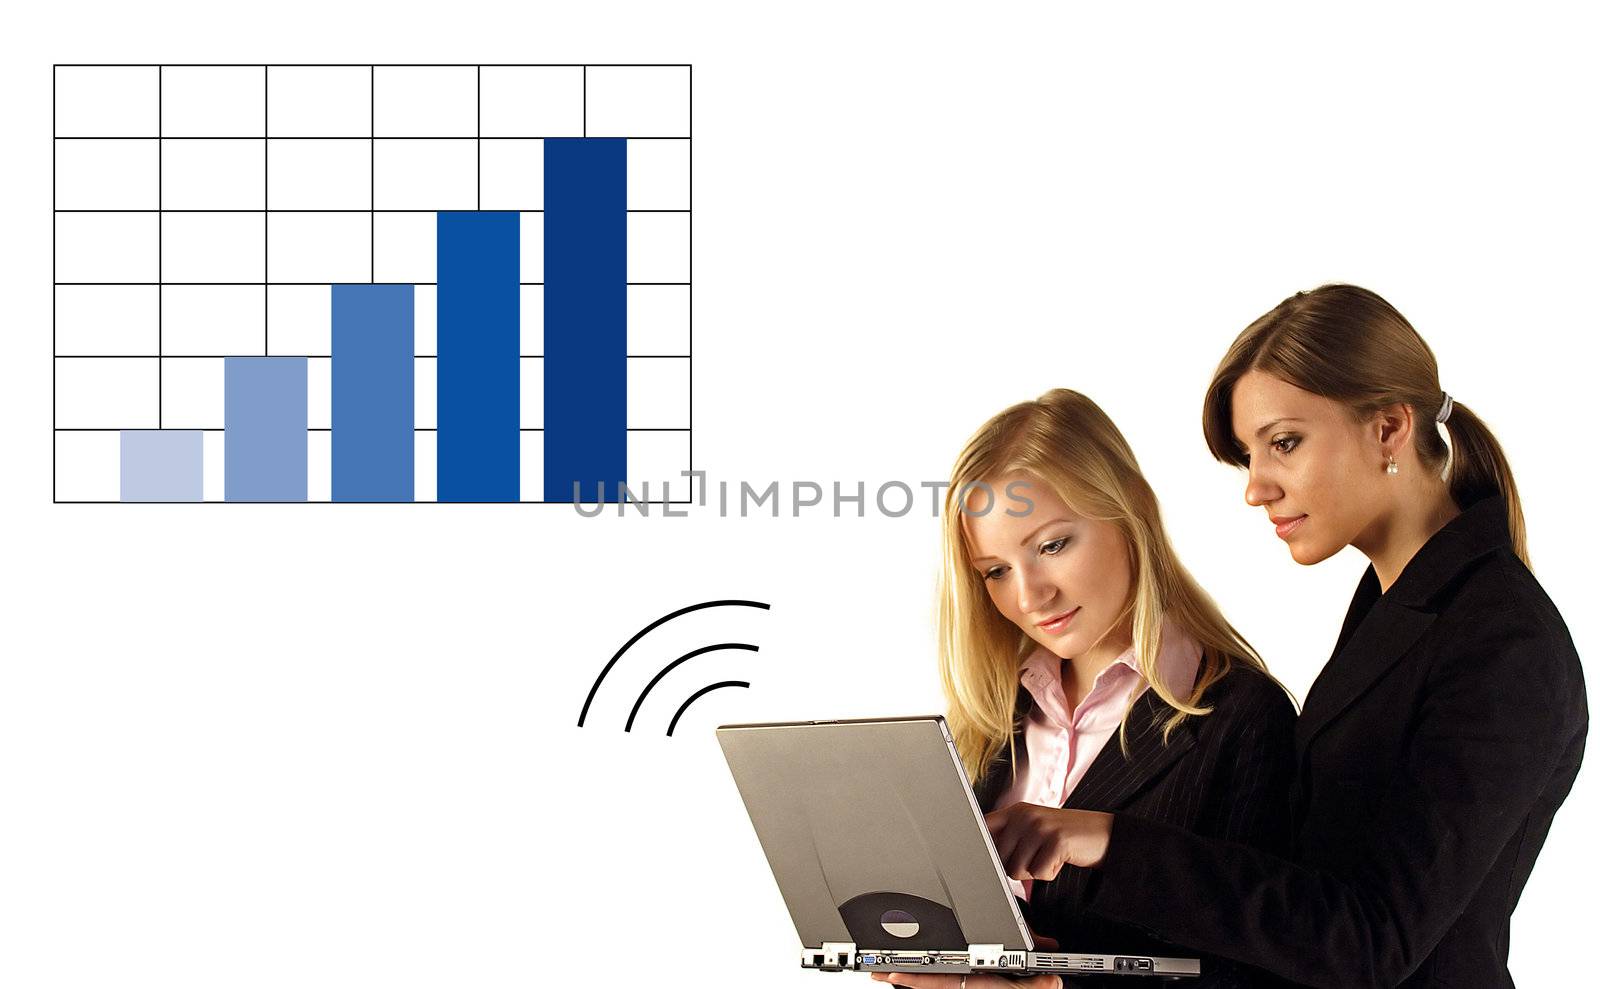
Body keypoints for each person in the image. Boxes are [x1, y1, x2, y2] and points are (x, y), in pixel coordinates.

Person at [982, 285, 1588, 988]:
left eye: (1285, 443)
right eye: (1250, 455)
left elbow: (1372, 939)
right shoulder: (1395, 608)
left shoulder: (1501, 641)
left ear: (1389, 429)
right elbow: (1290, 911)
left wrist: (1109, 840)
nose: (1257, 487)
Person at [876, 388, 1296, 989]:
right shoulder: (991, 724)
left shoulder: (1241, 716)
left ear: (1129, 512)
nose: (1028, 596)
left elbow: (1262, 969)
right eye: (995, 571)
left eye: (1052, 545)